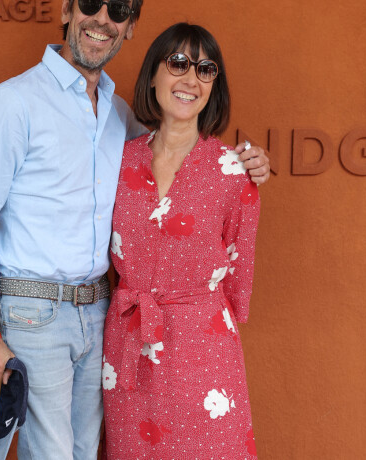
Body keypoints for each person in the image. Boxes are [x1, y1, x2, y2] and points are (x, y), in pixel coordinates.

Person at [0, 0, 269, 460]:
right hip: (36, 311)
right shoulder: (14, 103)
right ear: (66, 7)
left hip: (101, 315)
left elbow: (180, 153)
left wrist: (248, 163)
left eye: (117, 10)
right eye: (90, 2)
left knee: (83, 452)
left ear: (129, 27)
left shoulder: (119, 119)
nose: (102, 18)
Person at [102, 23, 260, 459]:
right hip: (129, 342)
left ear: (215, 86)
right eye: (178, 64)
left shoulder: (234, 171)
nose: (191, 79)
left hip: (203, 344)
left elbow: (238, 273)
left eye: (205, 69)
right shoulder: (119, 160)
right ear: (153, 75)